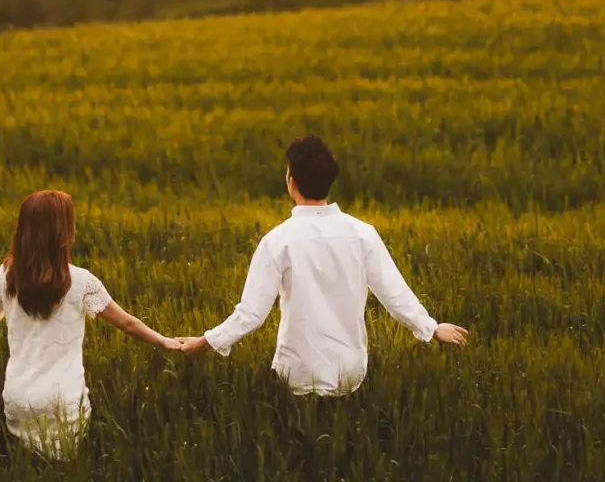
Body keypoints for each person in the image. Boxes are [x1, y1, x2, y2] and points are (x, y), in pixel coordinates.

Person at [178, 134, 467, 395]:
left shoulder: (278, 241)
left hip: (297, 374)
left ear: (291, 182)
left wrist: (204, 342)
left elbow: (252, 313)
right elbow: (394, 293)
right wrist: (431, 327)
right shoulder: (362, 234)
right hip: (351, 374)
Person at [0, 190, 181, 456]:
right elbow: (129, 325)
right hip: (63, 403)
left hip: (18, 399)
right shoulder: (82, 282)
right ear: (63, 234)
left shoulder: (7, 276)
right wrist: (165, 341)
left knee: (25, 471)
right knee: (62, 481)